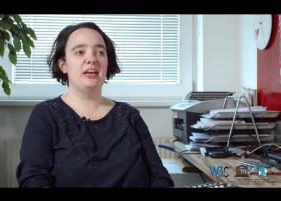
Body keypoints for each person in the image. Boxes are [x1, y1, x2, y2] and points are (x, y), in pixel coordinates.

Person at [16, 22, 174, 188]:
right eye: (80, 52)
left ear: (107, 63)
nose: (92, 58)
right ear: (63, 65)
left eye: (100, 52)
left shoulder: (130, 115)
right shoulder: (45, 114)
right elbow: (32, 179)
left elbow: (159, 176)